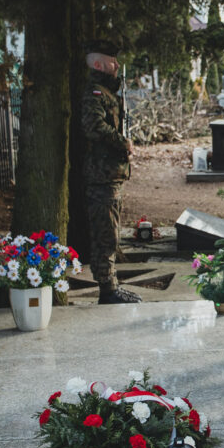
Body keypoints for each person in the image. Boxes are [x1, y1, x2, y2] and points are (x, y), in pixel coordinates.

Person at [80, 40, 141, 304]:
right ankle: (108, 289)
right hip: (100, 176)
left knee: (111, 232)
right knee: (106, 235)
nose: (116, 65)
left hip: (110, 175)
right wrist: (122, 143)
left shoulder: (107, 92)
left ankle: (112, 284)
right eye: (111, 61)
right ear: (97, 64)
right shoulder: (95, 93)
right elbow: (93, 126)